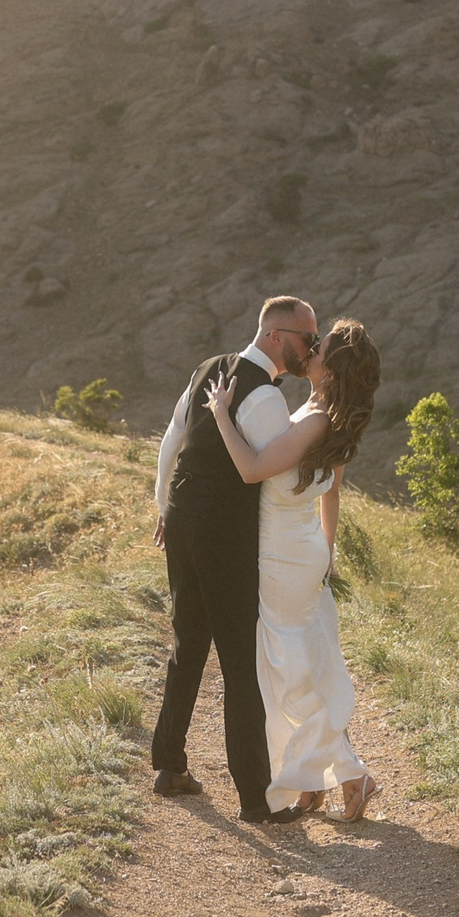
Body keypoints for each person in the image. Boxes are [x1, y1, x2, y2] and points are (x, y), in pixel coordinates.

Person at [202, 318, 384, 820]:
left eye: (318, 347)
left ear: (330, 366)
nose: (310, 349)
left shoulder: (315, 420)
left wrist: (221, 413)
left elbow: (251, 469)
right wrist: (327, 551)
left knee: (288, 673)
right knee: (300, 665)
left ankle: (353, 774)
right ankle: (313, 780)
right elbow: (334, 492)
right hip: (302, 550)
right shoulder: (330, 416)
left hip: (284, 554)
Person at [149, 296, 320, 823]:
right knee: (242, 664)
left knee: (188, 639)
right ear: (275, 335)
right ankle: (254, 798)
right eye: (306, 339)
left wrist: (163, 508)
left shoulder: (206, 369)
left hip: (181, 516)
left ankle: (170, 764)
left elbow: (171, 441)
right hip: (223, 532)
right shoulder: (263, 395)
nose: (310, 349)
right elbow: (280, 476)